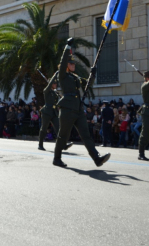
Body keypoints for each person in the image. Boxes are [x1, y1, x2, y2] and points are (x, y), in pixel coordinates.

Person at [52, 38, 110, 168]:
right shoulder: (63, 75)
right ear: (67, 65)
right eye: (71, 64)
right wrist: (67, 47)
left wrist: (93, 75)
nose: (73, 66)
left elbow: (88, 84)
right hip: (67, 109)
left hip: (78, 109)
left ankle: (97, 158)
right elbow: (62, 63)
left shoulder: (76, 78)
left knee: (86, 135)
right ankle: (56, 158)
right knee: (63, 135)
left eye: (74, 64)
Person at [39, 71, 62, 151]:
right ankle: (40, 145)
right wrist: (54, 75)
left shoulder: (55, 92)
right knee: (44, 128)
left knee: (58, 128)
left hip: (54, 112)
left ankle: (62, 144)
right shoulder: (47, 91)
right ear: (51, 84)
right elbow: (48, 87)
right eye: (54, 83)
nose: (55, 85)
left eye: (56, 84)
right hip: (47, 112)